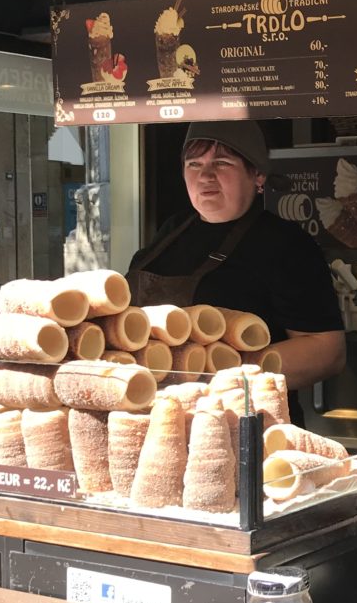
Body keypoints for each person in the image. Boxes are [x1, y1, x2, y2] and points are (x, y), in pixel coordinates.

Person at [126, 121, 345, 423]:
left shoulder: (286, 244)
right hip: (160, 419)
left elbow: (327, 351)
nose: (205, 175)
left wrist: (226, 371)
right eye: (194, 164)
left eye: (222, 163)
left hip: (247, 426)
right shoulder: (171, 232)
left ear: (258, 175)